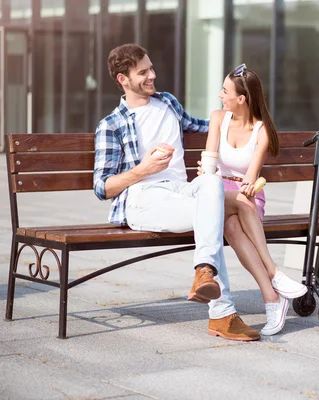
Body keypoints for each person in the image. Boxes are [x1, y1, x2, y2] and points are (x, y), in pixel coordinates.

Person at [93, 43, 260, 342]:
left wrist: (250, 126)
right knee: (212, 210)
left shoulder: (168, 103)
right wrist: (144, 169)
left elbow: (206, 126)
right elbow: (102, 187)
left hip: (181, 191)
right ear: (122, 79)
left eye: (151, 68)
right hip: (143, 199)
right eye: (143, 72)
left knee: (211, 182)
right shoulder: (112, 125)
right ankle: (222, 313)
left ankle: (204, 271)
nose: (152, 76)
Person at [200, 63, 307, 336]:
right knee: (237, 204)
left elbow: (251, 177)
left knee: (234, 225)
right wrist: (207, 176)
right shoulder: (217, 118)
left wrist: (247, 186)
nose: (220, 96)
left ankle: (272, 297)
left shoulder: (262, 131)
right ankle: (275, 275)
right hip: (217, 195)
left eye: (225, 91)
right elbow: (210, 162)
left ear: (241, 99)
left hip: (246, 201)